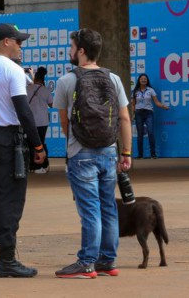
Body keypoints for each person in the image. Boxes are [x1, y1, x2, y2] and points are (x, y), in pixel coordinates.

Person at [53, 28, 132, 279]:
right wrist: (126, 152)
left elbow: (64, 122)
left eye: (72, 46)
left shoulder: (67, 80)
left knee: (90, 210)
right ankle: (107, 261)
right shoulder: (114, 79)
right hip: (109, 152)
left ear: (81, 51)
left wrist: (75, 143)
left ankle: (87, 262)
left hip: (81, 153)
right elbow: (124, 118)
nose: (70, 50)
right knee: (108, 207)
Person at [0, 23, 45, 279]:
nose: (20, 47)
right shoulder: (12, 70)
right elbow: (23, 111)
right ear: (6, 41)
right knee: (9, 199)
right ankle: (6, 259)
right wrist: (38, 145)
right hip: (7, 140)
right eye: (18, 42)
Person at [131, 74, 170, 159]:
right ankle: (140, 155)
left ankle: (153, 154)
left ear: (147, 81)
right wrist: (133, 114)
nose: (143, 80)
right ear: (139, 80)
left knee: (150, 132)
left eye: (145, 79)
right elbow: (133, 104)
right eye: (142, 79)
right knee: (140, 134)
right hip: (138, 114)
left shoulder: (151, 90)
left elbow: (157, 102)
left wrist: (164, 106)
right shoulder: (135, 91)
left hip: (149, 113)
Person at [26, 67, 53, 173]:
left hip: (30, 121)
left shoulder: (27, 89)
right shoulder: (45, 90)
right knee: (40, 143)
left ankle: (31, 166)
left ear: (35, 78)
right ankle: (42, 165)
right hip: (42, 121)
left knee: (30, 143)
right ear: (43, 79)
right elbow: (51, 104)